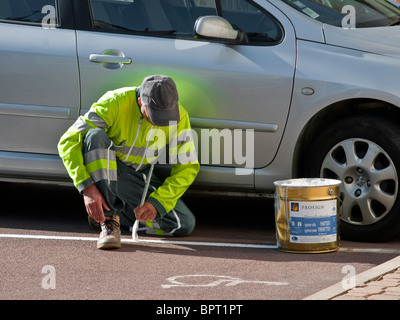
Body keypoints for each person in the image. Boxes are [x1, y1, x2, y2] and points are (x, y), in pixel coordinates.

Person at [58, 75, 200, 249]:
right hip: (108, 173)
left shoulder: (179, 115)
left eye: (166, 116)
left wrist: (158, 203)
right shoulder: (115, 102)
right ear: (141, 102)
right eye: (155, 115)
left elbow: (187, 167)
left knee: (183, 224)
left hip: (137, 178)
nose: (161, 123)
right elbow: (68, 141)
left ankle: (110, 217)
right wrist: (87, 187)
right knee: (95, 136)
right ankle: (108, 222)